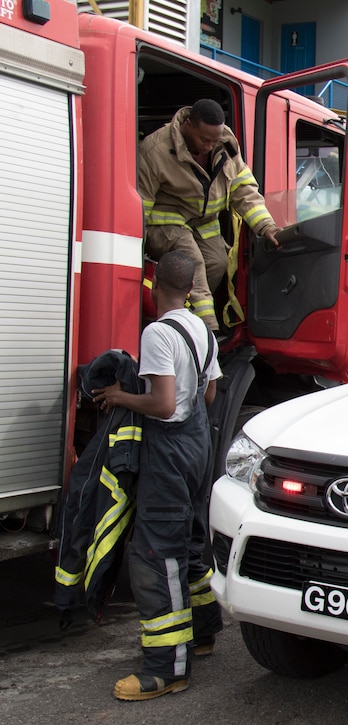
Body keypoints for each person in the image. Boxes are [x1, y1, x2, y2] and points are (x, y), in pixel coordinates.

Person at [92, 250, 224, 700]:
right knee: (188, 541)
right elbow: (207, 396)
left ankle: (165, 669)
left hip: (168, 451)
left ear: (152, 284)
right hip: (198, 447)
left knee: (153, 555)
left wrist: (118, 395)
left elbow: (164, 405)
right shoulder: (203, 330)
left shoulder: (158, 333)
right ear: (190, 289)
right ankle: (203, 632)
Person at [138, 99, 282, 332]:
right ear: (187, 126)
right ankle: (205, 333)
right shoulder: (156, 149)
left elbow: (243, 188)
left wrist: (267, 226)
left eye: (214, 140)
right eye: (204, 140)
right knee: (192, 262)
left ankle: (180, 315)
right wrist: (134, 248)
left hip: (203, 223)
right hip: (166, 223)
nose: (209, 146)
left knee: (217, 264)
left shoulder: (224, 144)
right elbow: (141, 202)